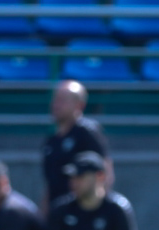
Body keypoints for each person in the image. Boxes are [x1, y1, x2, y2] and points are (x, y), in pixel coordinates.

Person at [41, 80, 110, 216]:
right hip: (58, 215)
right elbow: (50, 184)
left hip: (82, 214)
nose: (56, 104)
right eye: (56, 99)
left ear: (79, 105)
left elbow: (105, 171)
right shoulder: (51, 141)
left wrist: (98, 212)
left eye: (63, 100)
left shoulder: (87, 132)